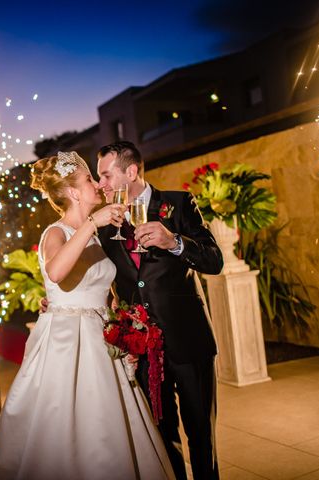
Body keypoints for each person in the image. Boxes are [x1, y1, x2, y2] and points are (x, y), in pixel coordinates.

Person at [0, 151, 175, 480]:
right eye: (89, 179)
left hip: (101, 339)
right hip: (66, 343)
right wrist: (92, 223)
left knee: (109, 425)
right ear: (73, 192)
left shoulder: (98, 237)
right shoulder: (55, 233)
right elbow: (56, 272)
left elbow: (100, 290)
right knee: (69, 424)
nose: (98, 185)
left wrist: (125, 329)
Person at [96, 141, 223, 480]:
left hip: (188, 340)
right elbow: (98, 279)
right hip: (143, 349)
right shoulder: (106, 226)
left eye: (106, 175)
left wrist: (174, 242)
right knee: (162, 440)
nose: (101, 185)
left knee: (201, 436)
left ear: (131, 171)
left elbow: (214, 260)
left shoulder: (179, 203)